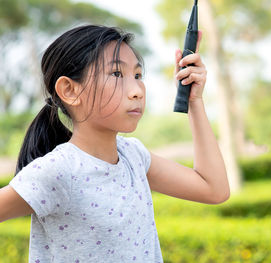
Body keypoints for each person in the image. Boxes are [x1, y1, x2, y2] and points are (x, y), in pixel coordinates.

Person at [0, 24, 229, 262]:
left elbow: (214, 190)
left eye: (138, 76)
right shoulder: (58, 171)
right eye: (117, 74)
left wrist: (194, 101)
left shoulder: (134, 157)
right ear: (69, 90)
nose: (137, 91)